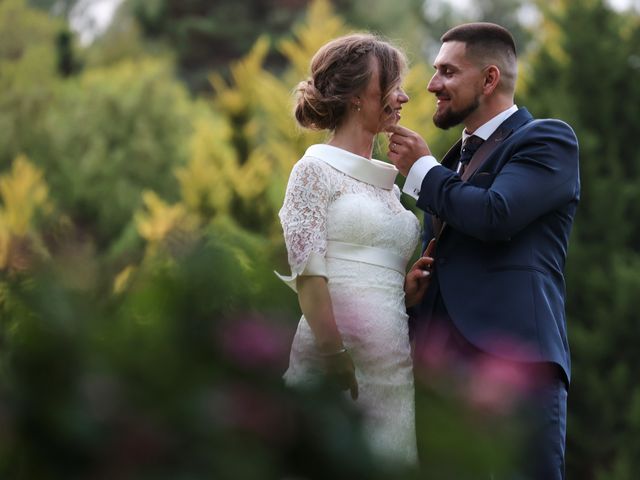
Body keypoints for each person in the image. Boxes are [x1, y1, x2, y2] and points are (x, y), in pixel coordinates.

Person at [386, 22, 580, 479]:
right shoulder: (450, 160)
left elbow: (495, 214)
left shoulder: (548, 141)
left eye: (447, 72)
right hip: (440, 376)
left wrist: (422, 170)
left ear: (489, 79)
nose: (432, 85)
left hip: (518, 369)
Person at [276, 33, 429, 466]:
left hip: (393, 368)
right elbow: (308, 272)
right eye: (393, 85)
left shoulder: (389, 184)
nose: (404, 96)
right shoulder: (313, 169)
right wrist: (332, 353)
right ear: (358, 96)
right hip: (335, 364)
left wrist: (403, 288)